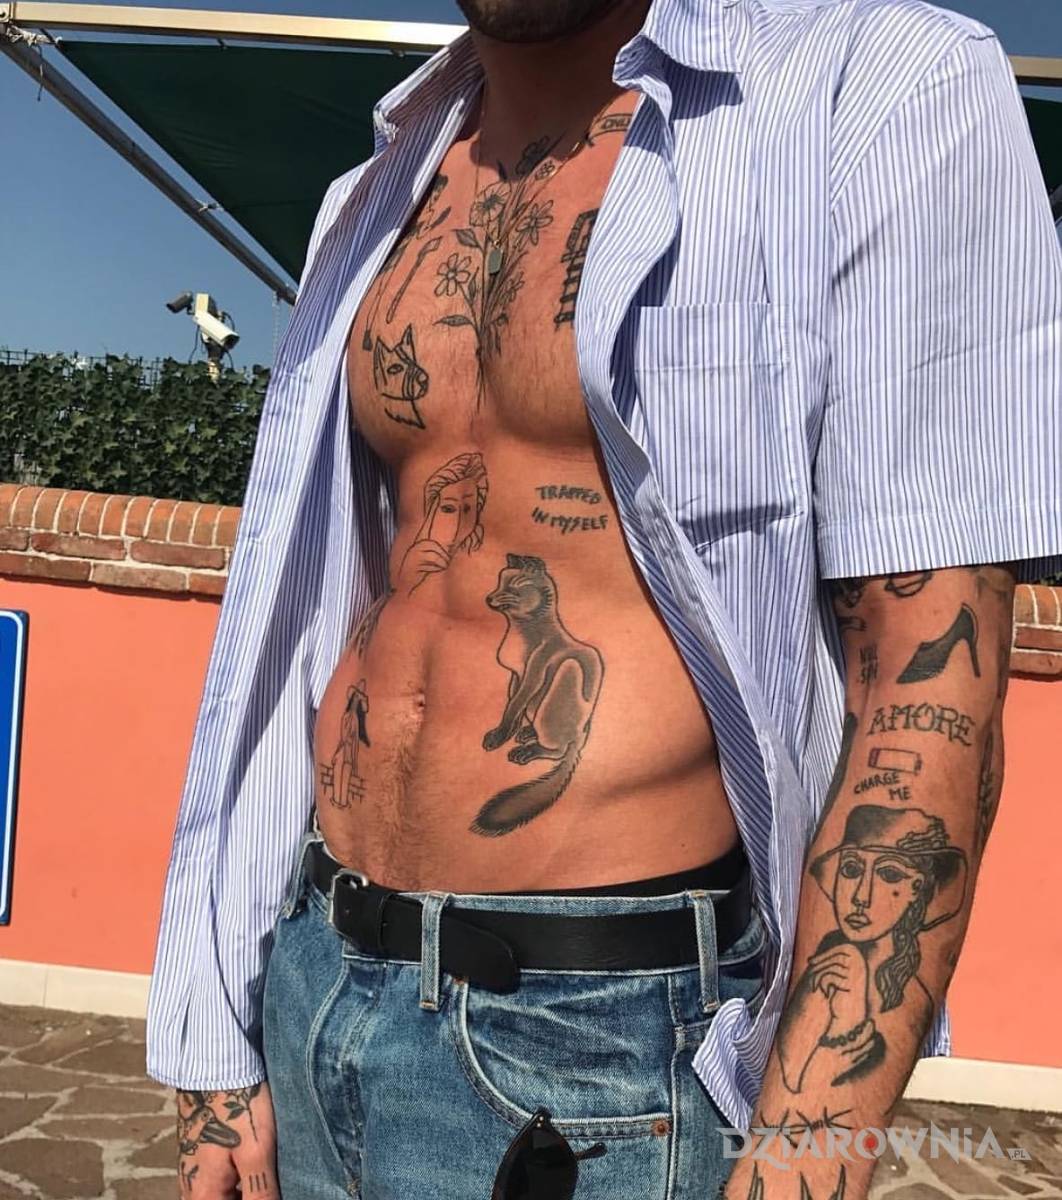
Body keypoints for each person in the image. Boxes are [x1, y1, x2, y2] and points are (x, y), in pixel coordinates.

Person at [146, 0, 1062, 1196]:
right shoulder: (376, 190)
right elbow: (292, 623)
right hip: (319, 975)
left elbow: (927, 687)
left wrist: (809, 1150)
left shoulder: (879, 90)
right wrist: (216, 1039)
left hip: (601, 1049)